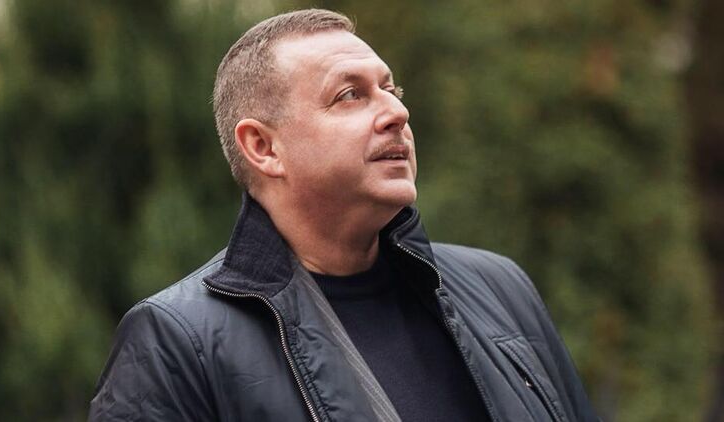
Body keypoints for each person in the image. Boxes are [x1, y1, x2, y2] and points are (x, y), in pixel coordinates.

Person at [89, 9, 597, 422]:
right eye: (350, 95)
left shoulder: (500, 288)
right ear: (263, 147)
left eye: (391, 90)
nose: (397, 113)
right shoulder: (179, 342)